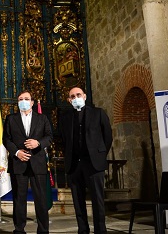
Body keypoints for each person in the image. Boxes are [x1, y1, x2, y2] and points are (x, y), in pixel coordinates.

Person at [59, 87, 113, 234]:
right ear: (69, 100)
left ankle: (100, 231)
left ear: (84, 96)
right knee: (78, 201)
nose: (75, 98)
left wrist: (99, 155)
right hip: (75, 165)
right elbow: (64, 140)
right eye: (72, 96)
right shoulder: (65, 117)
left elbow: (107, 136)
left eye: (78, 95)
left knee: (97, 200)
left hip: (94, 164)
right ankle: (83, 230)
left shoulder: (98, 113)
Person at [3, 91, 53, 234]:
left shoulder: (42, 118)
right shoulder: (11, 118)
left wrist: (38, 142)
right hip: (18, 163)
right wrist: (17, 152)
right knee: (19, 199)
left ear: (32, 102)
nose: (23, 101)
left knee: (41, 199)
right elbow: (6, 139)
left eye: (26, 99)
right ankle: (19, 230)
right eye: (20, 99)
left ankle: (43, 231)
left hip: (37, 163)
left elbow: (49, 137)